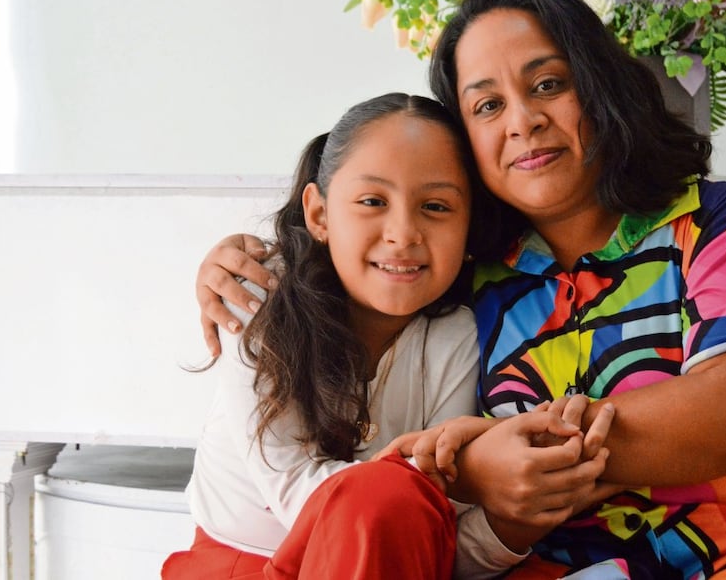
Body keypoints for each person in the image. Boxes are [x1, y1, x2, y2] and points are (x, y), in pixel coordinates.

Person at [194, 0, 726, 579]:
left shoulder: (717, 222)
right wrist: (247, 261)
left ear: (599, 87)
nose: (522, 121)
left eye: (548, 85)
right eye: (486, 106)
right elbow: (353, 258)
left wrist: (486, 455)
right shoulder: (464, 269)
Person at [164, 92, 614, 580]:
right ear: (319, 214)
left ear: (469, 231)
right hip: (244, 565)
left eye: (436, 206)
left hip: (391, 563)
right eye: (373, 201)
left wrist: (511, 521)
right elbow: (303, 495)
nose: (403, 232)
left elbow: (438, 545)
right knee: (384, 496)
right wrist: (472, 474)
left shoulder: (458, 334)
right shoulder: (260, 295)